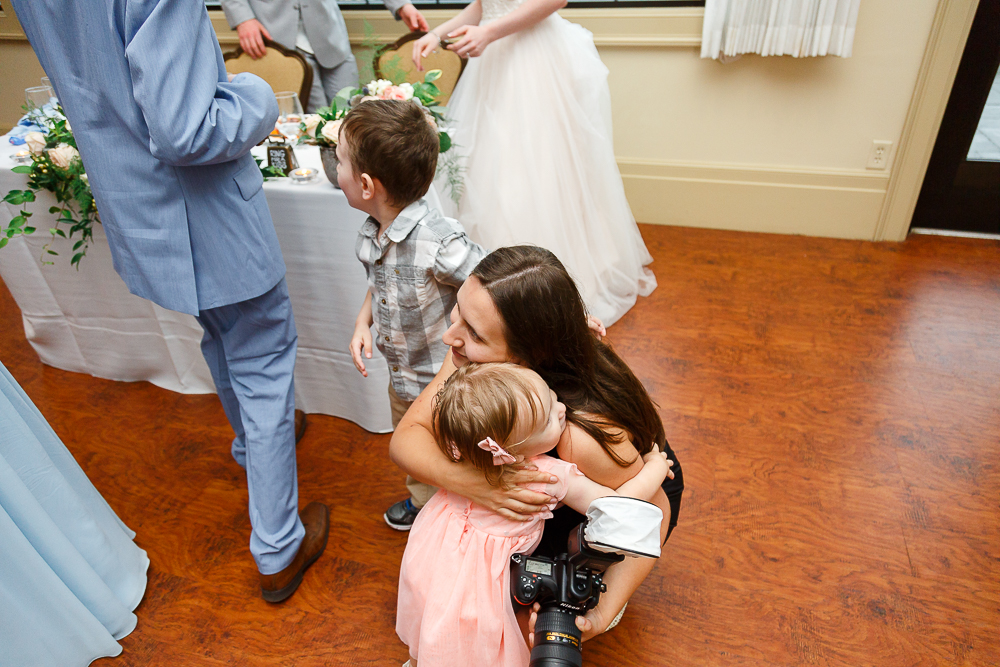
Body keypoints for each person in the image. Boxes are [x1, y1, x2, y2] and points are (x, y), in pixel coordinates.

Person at [11, 0, 328, 602]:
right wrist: (256, 97)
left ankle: (252, 442)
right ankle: (278, 546)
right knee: (261, 353)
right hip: (202, 208)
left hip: (140, 210)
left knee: (221, 332)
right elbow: (189, 131)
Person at [390, 245, 684, 640]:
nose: (449, 335)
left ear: (524, 358)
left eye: (473, 333)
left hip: (631, 485)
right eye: (458, 310)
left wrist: (599, 616)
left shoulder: (576, 435)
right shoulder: (477, 356)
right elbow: (406, 440)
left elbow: (650, 509)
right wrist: (481, 486)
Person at [396, 362, 670, 666]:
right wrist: (655, 468)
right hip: (479, 578)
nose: (562, 408)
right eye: (548, 420)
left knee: (435, 612)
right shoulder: (545, 475)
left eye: (550, 394)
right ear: (515, 452)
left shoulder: (463, 451)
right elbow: (615, 505)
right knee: (475, 633)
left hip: (434, 553)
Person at [409, 0, 657, 327]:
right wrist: (438, 34)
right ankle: (491, 290)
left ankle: (537, 290)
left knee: (536, 170)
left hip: (533, 60)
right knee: (489, 174)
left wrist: (488, 33)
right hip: (494, 62)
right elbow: (487, 4)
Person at [339, 100, 486, 530]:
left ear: (366, 184)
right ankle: (425, 503)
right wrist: (362, 322)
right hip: (402, 378)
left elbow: (494, 281)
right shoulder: (372, 235)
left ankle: (463, 516)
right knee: (415, 449)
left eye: (341, 161)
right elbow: (380, 284)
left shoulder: (438, 242)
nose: (337, 167)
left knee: (455, 451)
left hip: (449, 385)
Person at [222, 0, 430, 112]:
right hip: (276, 37)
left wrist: (402, 5)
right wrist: (243, 18)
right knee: (315, 125)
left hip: (330, 36)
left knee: (353, 113)